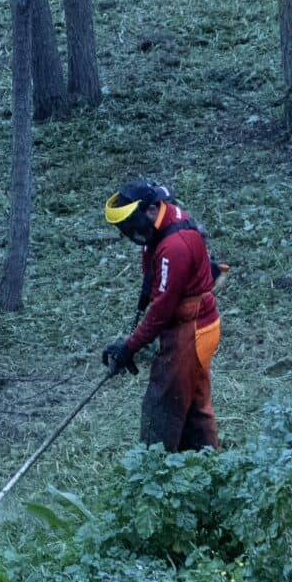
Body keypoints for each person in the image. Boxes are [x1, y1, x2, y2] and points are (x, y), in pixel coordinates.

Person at [100, 180, 222, 451]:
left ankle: (153, 468)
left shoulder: (174, 246)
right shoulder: (160, 228)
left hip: (191, 330)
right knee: (194, 405)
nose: (128, 233)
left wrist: (129, 348)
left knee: (163, 403)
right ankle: (208, 464)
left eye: (131, 224)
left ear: (152, 209)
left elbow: (161, 310)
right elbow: (154, 288)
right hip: (194, 323)